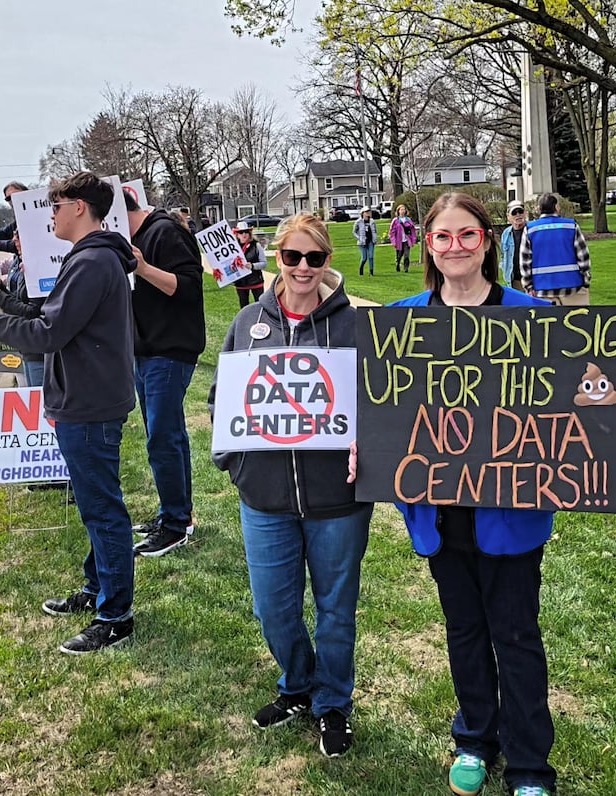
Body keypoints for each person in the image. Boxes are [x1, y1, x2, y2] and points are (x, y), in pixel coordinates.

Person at [348, 191, 616, 796]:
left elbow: (593, 397)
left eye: (467, 235)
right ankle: (474, 737)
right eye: (442, 237)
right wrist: (363, 449)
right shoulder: (402, 321)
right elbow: (381, 415)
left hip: (513, 512)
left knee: (516, 636)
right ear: (428, 245)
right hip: (439, 512)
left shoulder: (534, 316)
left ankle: (528, 764)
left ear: (488, 241)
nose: (455, 247)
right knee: (464, 631)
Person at [209, 213, 373, 758]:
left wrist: (367, 445)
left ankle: (332, 704)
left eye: (315, 258)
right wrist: (237, 465)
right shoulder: (248, 323)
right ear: (276, 257)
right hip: (265, 498)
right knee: (273, 608)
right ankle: (297, 684)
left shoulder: (355, 327)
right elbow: (222, 399)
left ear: (329, 261)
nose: (303, 268)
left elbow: (384, 404)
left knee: (335, 608)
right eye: (292, 256)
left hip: (338, 499)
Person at [0, 171, 138, 656]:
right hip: (83, 397)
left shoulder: (93, 262)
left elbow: (45, 336)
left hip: (90, 404)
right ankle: (97, 588)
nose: (50, 215)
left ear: (80, 207)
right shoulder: (91, 259)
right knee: (94, 503)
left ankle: (116, 614)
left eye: (56, 207)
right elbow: (47, 318)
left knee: (102, 510)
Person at [122, 191, 206, 557]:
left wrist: (142, 268)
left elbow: (188, 287)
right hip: (148, 350)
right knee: (168, 435)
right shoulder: (137, 239)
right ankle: (176, 514)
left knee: (162, 437)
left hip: (170, 351)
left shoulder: (165, 232)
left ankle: (174, 525)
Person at [0, 230, 46, 387]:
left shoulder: (41, 270)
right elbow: (19, 300)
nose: (14, 240)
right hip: (28, 349)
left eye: (19, 236)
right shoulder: (21, 264)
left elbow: (32, 313)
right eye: (14, 235)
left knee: (41, 405)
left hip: (41, 354)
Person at [520, 193, 591, 306]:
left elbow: (525, 262)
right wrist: (586, 280)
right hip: (573, 286)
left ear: (538, 209)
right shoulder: (571, 226)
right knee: (578, 322)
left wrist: (528, 286)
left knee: (547, 324)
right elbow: (583, 257)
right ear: (557, 207)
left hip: (542, 289)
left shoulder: (530, 229)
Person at [232, 220, 267, 307]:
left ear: (249, 233)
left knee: (259, 305)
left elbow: (264, 263)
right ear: (237, 234)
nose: (244, 234)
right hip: (241, 283)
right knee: (243, 306)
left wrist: (253, 266)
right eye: (241, 232)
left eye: (246, 232)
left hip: (256, 281)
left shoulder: (256, 246)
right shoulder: (233, 248)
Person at [499, 199, 528, 292]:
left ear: (525, 213)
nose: (518, 215)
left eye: (520, 211)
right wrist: (505, 271)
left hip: (531, 280)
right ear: (508, 217)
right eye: (514, 213)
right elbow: (503, 255)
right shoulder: (506, 233)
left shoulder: (532, 230)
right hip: (514, 281)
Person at [389, 203, 418, 272]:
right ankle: (398, 263)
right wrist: (393, 241)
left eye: (404, 209)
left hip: (407, 240)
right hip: (399, 241)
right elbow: (392, 232)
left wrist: (413, 240)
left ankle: (406, 268)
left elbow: (412, 230)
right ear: (398, 211)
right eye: (401, 209)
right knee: (399, 255)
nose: (403, 211)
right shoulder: (395, 220)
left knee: (406, 255)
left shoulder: (408, 220)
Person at [353, 206, 377, 276]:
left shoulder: (372, 221)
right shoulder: (358, 222)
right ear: (362, 213)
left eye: (368, 212)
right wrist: (359, 238)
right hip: (362, 242)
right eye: (366, 212)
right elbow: (354, 232)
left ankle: (371, 272)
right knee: (364, 258)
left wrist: (374, 238)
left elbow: (375, 231)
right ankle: (361, 269)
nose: (367, 213)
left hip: (370, 241)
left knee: (371, 257)